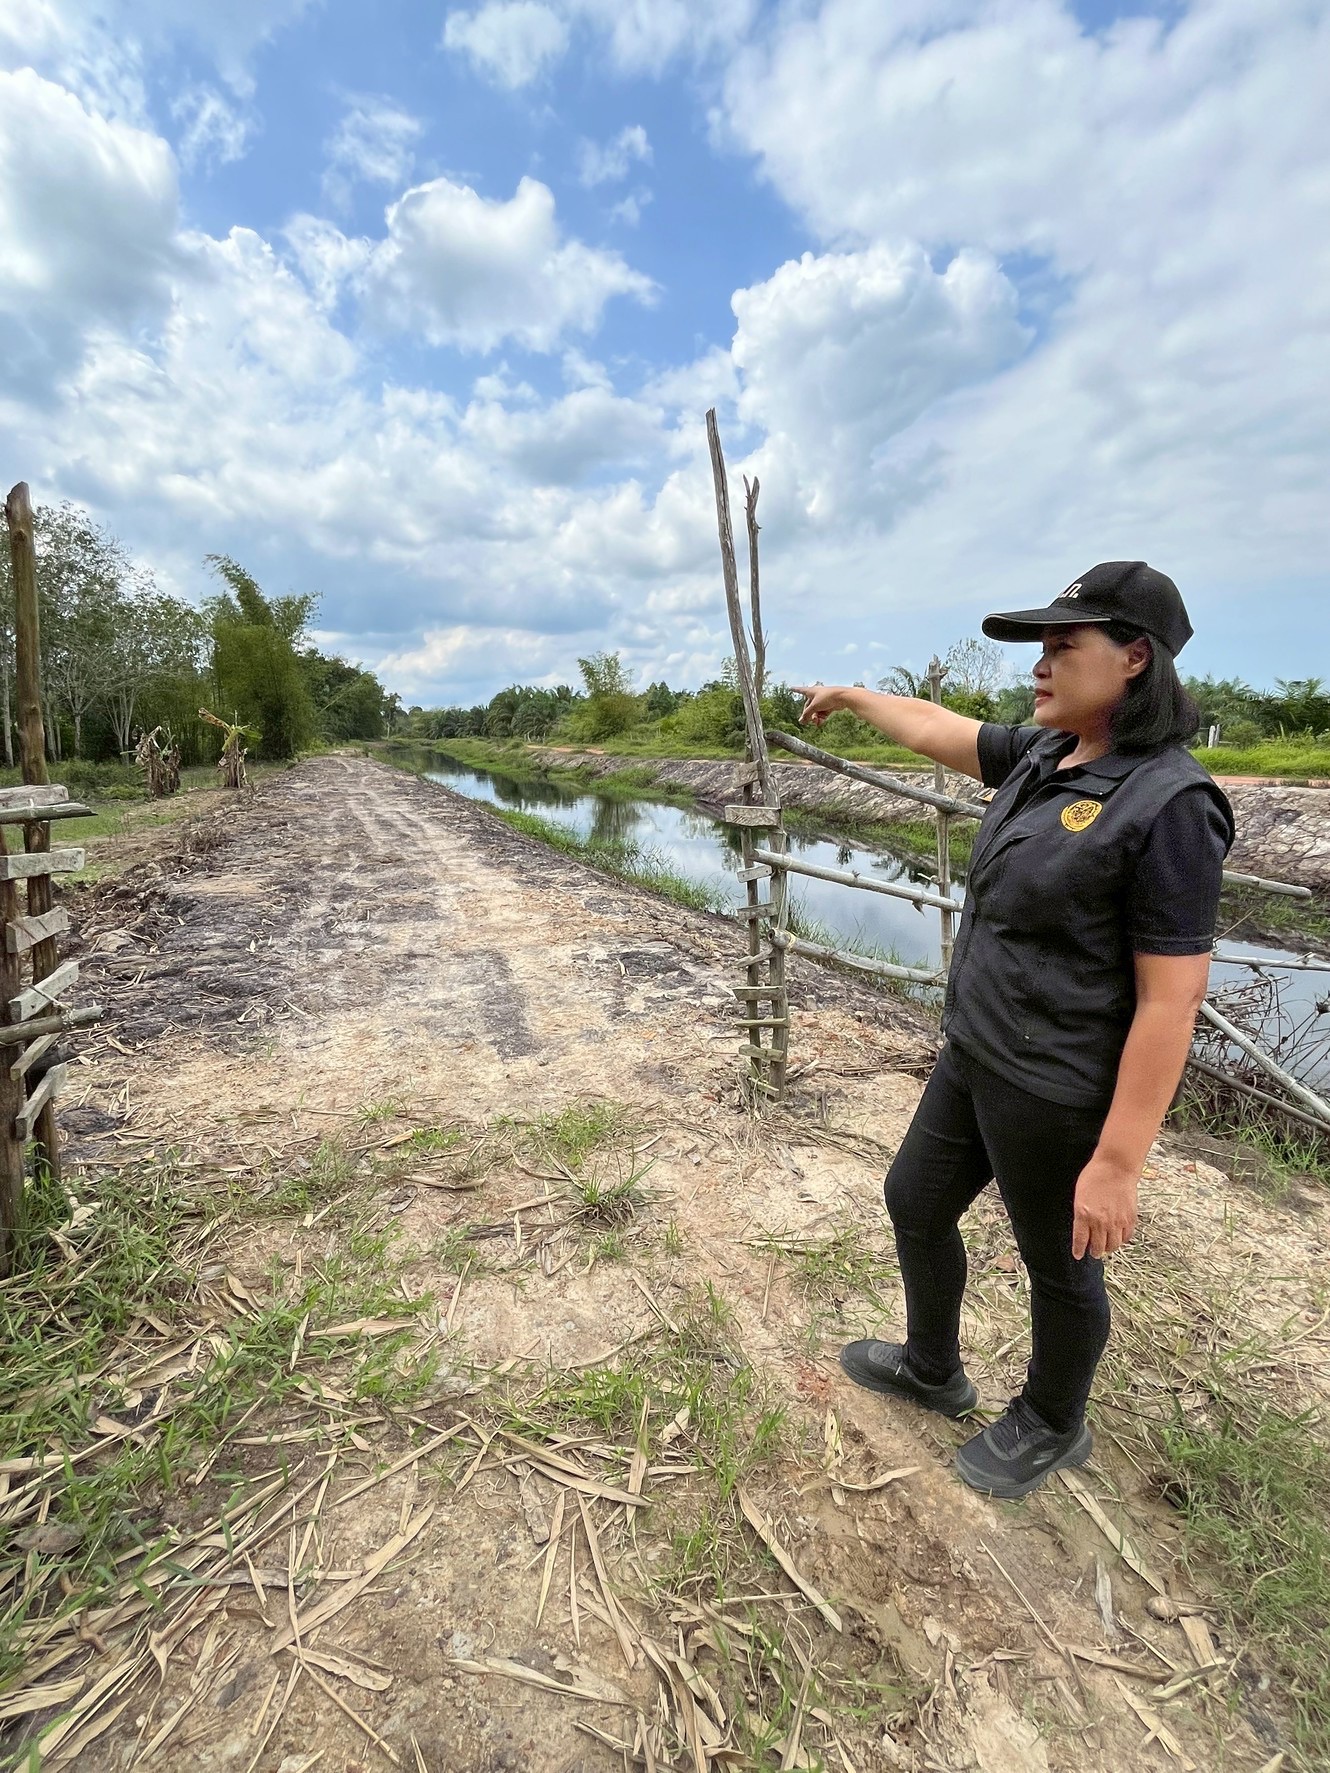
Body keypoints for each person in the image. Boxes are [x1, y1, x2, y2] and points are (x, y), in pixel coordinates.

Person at [794, 561, 1234, 1499]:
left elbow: (1171, 1000)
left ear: (1134, 658)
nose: (1041, 666)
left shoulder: (1170, 803)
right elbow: (941, 730)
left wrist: (1119, 1161)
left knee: (1058, 1265)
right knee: (914, 1200)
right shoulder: (1048, 756)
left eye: (1062, 646)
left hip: (1058, 1085)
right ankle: (932, 1365)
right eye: (1040, 647)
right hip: (977, 1051)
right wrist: (854, 694)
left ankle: (1050, 1419)